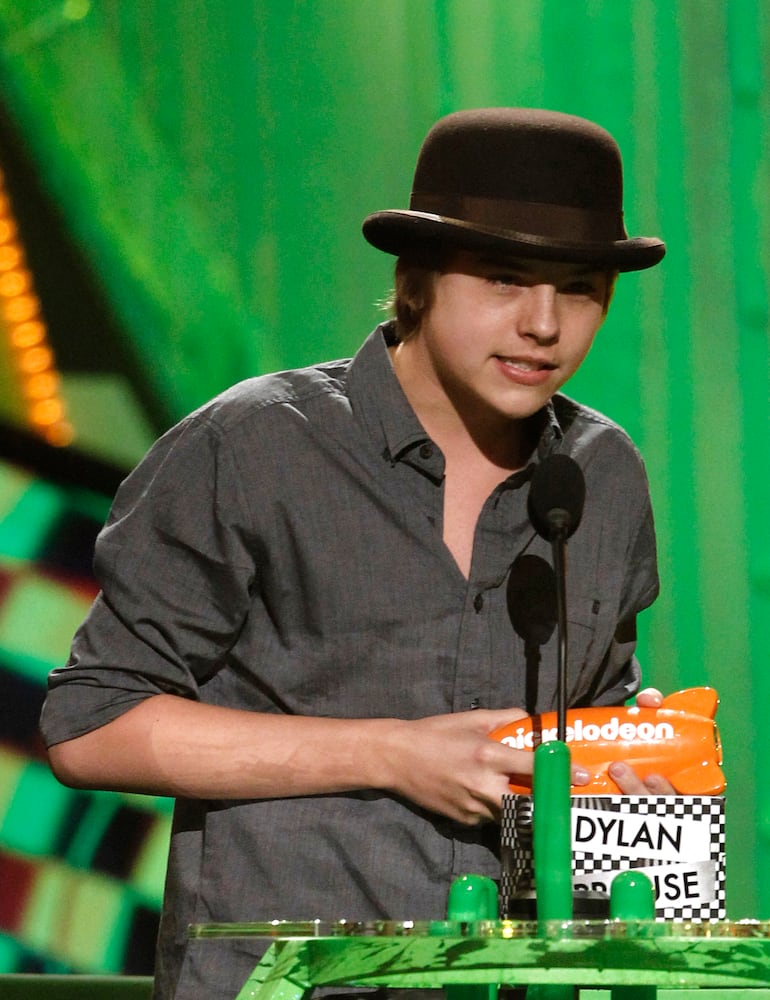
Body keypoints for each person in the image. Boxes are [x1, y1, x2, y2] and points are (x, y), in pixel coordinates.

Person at [40, 108, 671, 999]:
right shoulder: (254, 445)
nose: (544, 324)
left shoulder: (602, 474)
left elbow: (584, 736)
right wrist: (393, 754)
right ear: (417, 279)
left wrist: (628, 768)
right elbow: (90, 726)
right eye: (504, 278)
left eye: (579, 289)